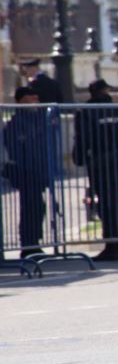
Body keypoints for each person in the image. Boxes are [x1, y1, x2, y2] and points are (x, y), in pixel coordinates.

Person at [72, 79, 118, 261]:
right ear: (106, 91)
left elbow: (83, 138)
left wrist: (80, 159)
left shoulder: (86, 112)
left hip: (99, 165)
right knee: (115, 204)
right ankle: (116, 244)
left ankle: (112, 245)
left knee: (106, 205)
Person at [2, 87, 49, 258]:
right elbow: (15, 148)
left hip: (37, 173)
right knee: (30, 208)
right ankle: (28, 245)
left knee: (38, 207)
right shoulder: (16, 123)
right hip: (25, 173)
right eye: (31, 96)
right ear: (21, 100)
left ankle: (33, 243)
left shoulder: (37, 119)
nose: (36, 98)